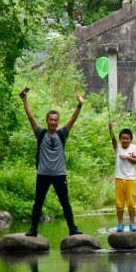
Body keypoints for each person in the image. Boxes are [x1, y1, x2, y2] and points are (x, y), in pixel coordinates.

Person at [22, 89, 84, 237]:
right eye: (51, 119)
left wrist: (79, 105)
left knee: (65, 203)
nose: (54, 122)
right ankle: (33, 229)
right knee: (38, 202)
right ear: (47, 120)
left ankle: (72, 228)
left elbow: (72, 120)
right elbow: (30, 117)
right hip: (43, 174)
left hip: (59, 174)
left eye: (56, 120)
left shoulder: (62, 133)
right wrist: (24, 100)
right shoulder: (40, 133)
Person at [108, 122, 136, 232]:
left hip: (130, 178)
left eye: (127, 139)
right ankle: (120, 224)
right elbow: (113, 140)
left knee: (131, 202)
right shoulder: (118, 148)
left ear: (131, 139)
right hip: (119, 178)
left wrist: (127, 157)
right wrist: (110, 129)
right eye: (123, 139)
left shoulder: (133, 148)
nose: (125, 140)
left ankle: (132, 223)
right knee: (119, 203)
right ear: (120, 139)